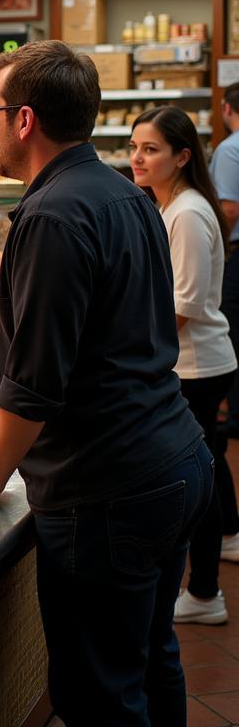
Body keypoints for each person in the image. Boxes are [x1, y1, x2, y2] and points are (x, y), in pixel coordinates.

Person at [0, 40, 211, 726]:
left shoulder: (51, 213)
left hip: (107, 488)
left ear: (25, 120)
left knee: (100, 695)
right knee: (151, 656)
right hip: (174, 455)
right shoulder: (125, 191)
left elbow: (33, 384)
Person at [130, 106, 238, 625]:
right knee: (208, 470)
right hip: (190, 361)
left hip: (196, 363)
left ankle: (204, 594)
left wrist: (136, 354)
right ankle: (210, 579)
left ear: (182, 156)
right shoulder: (170, 206)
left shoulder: (189, 213)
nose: (138, 158)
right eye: (135, 147)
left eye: (151, 149)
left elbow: (185, 305)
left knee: (201, 478)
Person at [211, 82, 239, 439]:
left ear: (226, 108)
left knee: (236, 332)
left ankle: (235, 420)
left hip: (238, 252)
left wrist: (222, 252)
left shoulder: (231, 150)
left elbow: (229, 208)